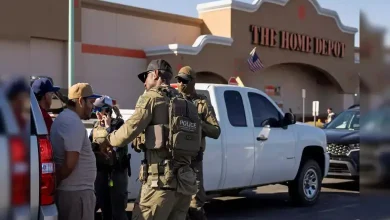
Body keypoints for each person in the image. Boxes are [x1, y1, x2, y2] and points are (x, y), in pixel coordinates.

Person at [94, 59, 201, 220]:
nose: (144, 83)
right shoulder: (186, 103)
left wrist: (106, 138)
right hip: (185, 185)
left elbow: (129, 130)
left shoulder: (151, 98)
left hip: (160, 184)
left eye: (146, 76)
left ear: (156, 74)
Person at [175, 66, 221, 220]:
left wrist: (198, 124)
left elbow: (215, 131)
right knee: (176, 201)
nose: (181, 83)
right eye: (179, 80)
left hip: (194, 159)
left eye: (184, 80)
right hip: (175, 158)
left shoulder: (202, 102)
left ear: (192, 82)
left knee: (196, 202)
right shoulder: (173, 100)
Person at [50, 83, 101, 220]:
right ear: (80, 101)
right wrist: (54, 182)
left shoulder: (67, 119)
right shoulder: (72, 122)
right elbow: (69, 164)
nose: (92, 107)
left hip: (75, 193)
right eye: (90, 102)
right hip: (76, 195)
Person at [89, 95, 129, 220]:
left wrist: (108, 128)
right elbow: (90, 145)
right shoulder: (95, 126)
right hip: (101, 172)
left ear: (106, 110)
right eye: (94, 110)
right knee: (104, 207)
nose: (96, 113)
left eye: (98, 110)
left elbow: (118, 144)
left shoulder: (119, 124)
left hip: (116, 173)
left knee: (118, 210)